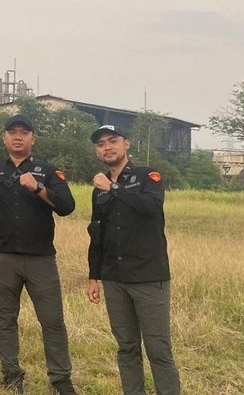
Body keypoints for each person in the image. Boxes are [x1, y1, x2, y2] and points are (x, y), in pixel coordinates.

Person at [0, 114, 78, 395]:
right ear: (4, 137)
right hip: (3, 257)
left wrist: (39, 188)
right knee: (5, 319)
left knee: (52, 320)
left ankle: (60, 379)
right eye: (12, 132)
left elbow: (67, 207)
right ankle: (11, 374)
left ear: (33, 138)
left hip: (40, 258)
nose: (17, 137)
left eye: (24, 132)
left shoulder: (48, 171)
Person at [87, 124, 180, 395]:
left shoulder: (148, 176)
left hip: (148, 277)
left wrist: (114, 187)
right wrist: (94, 275)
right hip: (115, 278)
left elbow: (150, 208)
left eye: (112, 140)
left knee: (158, 349)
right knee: (126, 347)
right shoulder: (98, 189)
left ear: (127, 143)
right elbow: (97, 234)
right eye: (101, 143)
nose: (107, 147)